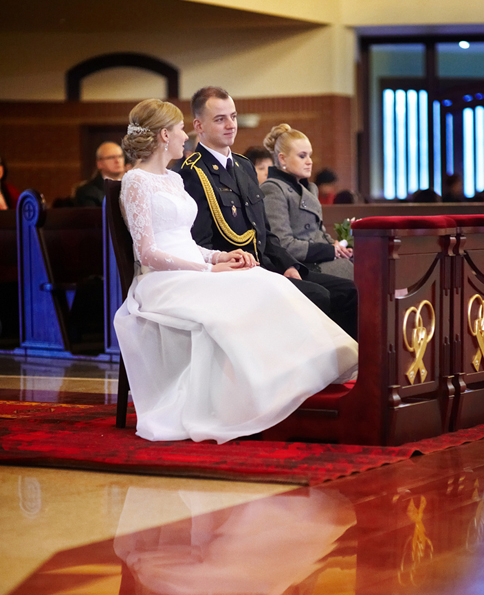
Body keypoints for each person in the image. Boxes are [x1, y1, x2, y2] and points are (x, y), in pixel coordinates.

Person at [114, 98, 357, 443]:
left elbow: (185, 241)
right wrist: (206, 269)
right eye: (180, 129)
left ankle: (290, 378)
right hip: (163, 281)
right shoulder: (136, 181)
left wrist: (220, 257)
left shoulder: (173, 179)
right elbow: (148, 253)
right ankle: (251, 394)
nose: (184, 135)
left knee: (268, 284)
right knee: (251, 292)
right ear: (164, 135)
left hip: (192, 270)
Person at [175, 86, 357, 337]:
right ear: (199, 125)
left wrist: (288, 265)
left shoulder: (243, 166)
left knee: (349, 292)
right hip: (236, 274)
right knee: (318, 296)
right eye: (220, 119)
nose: (230, 125)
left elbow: (265, 232)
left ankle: (347, 362)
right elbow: (201, 243)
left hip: (266, 265)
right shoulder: (192, 173)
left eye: (233, 116)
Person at [261, 123, 354, 281]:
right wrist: (329, 251)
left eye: (309, 155)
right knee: (355, 279)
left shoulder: (309, 188)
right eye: (302, 156)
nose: (309, 161)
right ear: (282, 158)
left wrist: (337, 247)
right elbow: (282, 244)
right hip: (300, 266)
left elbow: (318, 233)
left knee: (365, 267)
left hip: (318, 259)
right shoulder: (273, 189)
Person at [74, 141, 125, 206]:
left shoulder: (132, 185)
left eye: (120, 156)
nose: (117, 161)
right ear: (99, 164)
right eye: (111, 157)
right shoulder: (88, 192)